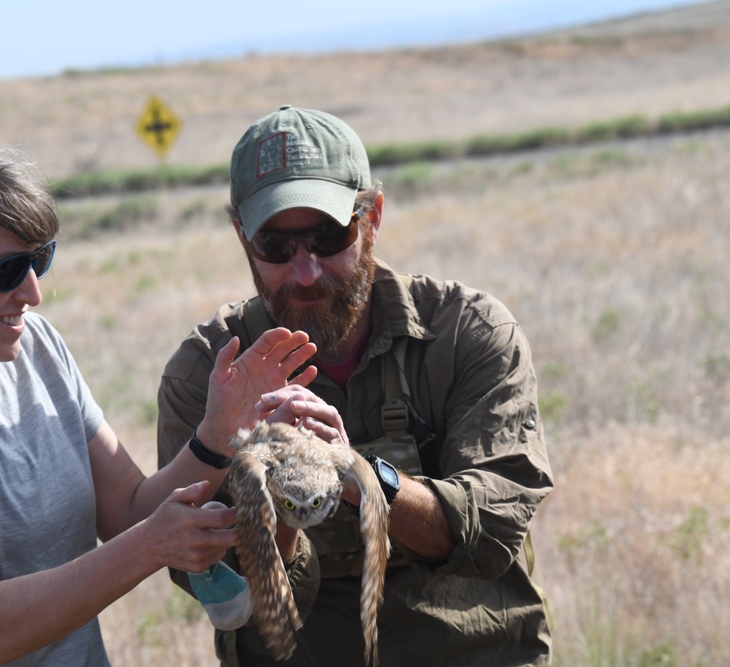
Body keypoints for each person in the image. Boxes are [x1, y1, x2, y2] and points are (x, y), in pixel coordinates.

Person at [0, 143, 325, 666]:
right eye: (8, 269)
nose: (33, 292)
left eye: (40, 260)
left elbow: (131, 510)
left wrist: (218, 433)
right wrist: (149, 547)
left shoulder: (34, 345)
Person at [156, 105, 555, 666]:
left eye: (329, 236)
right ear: (242, 237)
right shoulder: (206, 376)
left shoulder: (467, 334)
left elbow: (490, 531)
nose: (306, 270)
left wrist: (356, 472)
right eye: (276, 245)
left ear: (373, 217)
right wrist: (269, 490)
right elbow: (221, 590)